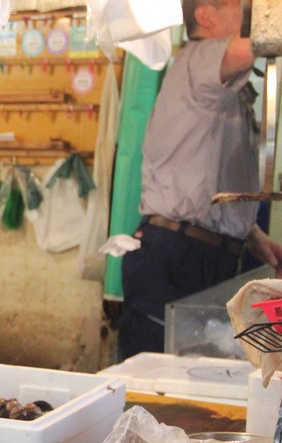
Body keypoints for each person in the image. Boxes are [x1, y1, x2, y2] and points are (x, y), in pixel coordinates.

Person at [119, 0, 282, 360]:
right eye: (240, 6)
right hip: (175, 259)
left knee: (202, 380)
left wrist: (253, 237)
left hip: (207, 255)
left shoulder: (225, 85)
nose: (251, 15)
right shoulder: (200, 59)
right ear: (206, 15)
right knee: (156, 384)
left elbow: (202, 177)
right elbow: (266, 37)